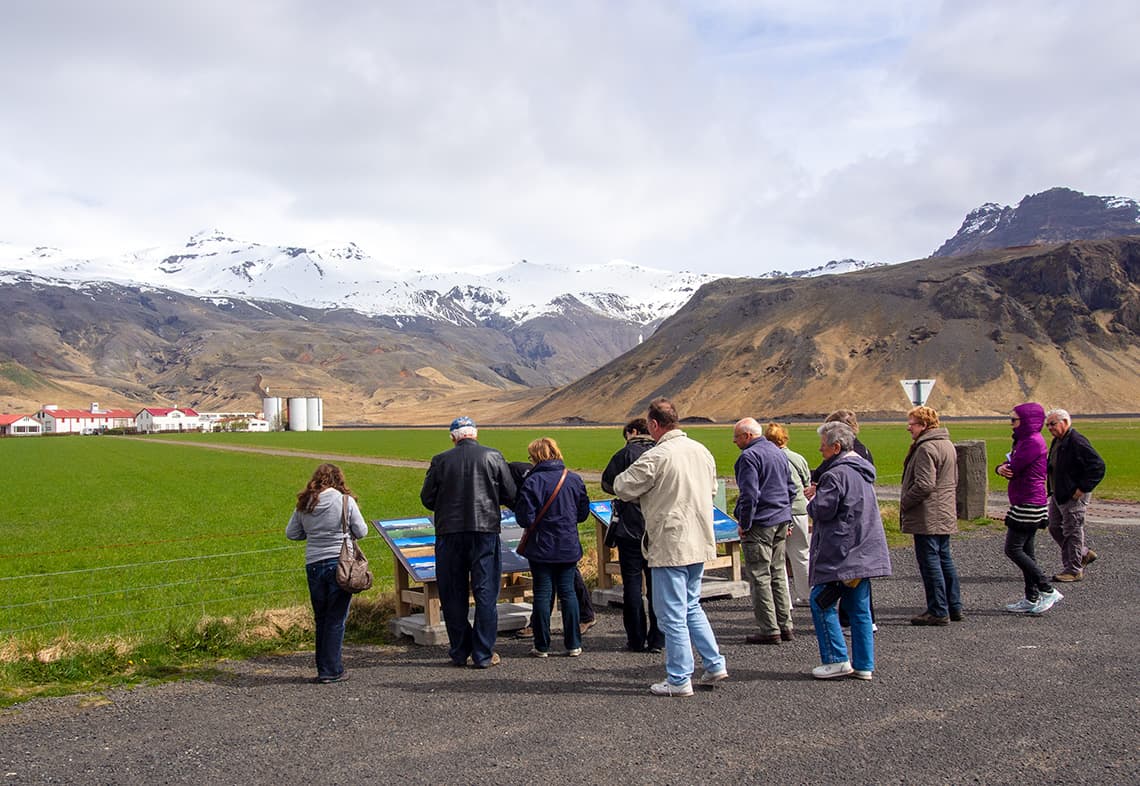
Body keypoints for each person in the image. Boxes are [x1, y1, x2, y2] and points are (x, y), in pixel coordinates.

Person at [613, 397, 727, 696]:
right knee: (691, 605)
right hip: (700, 536)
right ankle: (714, 662)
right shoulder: (701, 451)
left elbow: (622, 485)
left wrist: (648, 494)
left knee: (671, 613)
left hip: (670, 540)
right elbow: (712, 489)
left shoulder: (658, 455)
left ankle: (679, 677)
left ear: (653, 425)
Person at [420, 416, 517, 669]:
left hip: (449, 532)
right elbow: (510, 494)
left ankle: (460, 651)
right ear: (475, 434)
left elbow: (427, 498)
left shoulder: (440, 460)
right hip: (485, 530)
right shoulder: (494, 456)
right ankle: (483, 653)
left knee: (453, 593)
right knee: (486, 592)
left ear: (453, 437)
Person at [806, 422, 892, 680]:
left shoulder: (836, 475)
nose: (820, 450)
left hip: (842, 554)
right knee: (859, 609)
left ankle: (836, 660)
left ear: (836, 446)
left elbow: (822, 510)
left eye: (823, 446)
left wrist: (812, 500)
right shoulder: (862, 472)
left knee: (820, 602)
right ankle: (865, 664)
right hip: (864, 550)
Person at [286, 463, 368, 684]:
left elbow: (292, 533)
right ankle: (332, 670)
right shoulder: (344, 501)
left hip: (313, 563)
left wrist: (314, 534)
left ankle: (323, 667)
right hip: (340, 563)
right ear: (338, 479)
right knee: (336, 619)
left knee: (321, 618)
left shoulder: (305, 503)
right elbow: (362, 531)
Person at [515, 438, 591, 658]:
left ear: (536, 457)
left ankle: (542, 645)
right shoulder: (574, 479)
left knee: (542, 593)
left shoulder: (532, 482)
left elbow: (524, 518)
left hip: (540, 546)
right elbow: (583, 513)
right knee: (568, 593)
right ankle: (574, 643)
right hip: (567, 544)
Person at [601, 418, 665, 653]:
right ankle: (658, 639)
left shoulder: (624, 454)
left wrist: (628, 491)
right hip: (656, 527)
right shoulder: (662, 451)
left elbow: (607, 484)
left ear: (632, 432)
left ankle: (635, 638)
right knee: (658, 584)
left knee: (632, 584)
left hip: (629, 527)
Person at [732, 417, 796, 644]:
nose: (734, 441)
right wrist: (786, 518)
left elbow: (749, 494)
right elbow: (791, 488)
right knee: (778, 573)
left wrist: (745, 523)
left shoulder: (749, 457)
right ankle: (785, 625)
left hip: (761, 522)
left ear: (748, 436)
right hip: (780, 519)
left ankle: (769, 629)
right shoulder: (778, 452)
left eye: (737, 437)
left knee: (759, 575)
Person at [997, 403, 1063, 614]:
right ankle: (1031, 597)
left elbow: (1014, 467)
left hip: (1029, 503)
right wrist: (1001, 468)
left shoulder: (1032, 442)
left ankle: (1047, 589)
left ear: (1026, 421)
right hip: (1026, 500)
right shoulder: (1024, 441)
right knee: (1027, 550)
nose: (1011, 424)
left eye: (1014, 420)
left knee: (1013, 549)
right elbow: (1008, 465)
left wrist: (1004, 469)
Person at [900, 406, 962, 626]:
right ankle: (954, 606)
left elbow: (925, 485)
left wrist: (905, 502)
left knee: (930, 562)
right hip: (944, 510)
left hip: (928, 513)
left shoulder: (926, 448)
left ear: (924, 425)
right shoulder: (947, 444)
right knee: (944, 558)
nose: (909, 427)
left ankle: (938, 609)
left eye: (913, 423)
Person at [1045, 409, 1106, 582]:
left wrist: (1083, 487)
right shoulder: (1058, 440)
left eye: (1052, 424)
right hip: (1059, 492)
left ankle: (1073, 570)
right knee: (1055, 527)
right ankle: (1083, 554)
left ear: (1064, 422)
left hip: (1073, 494)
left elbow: (1098, 466)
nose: (1049, 428)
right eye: (1047, 425)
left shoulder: (1076, 441)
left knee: (1072, 530)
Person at [763, 422, 812, 606]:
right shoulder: (798, 458)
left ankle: (784, 601)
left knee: (778, 558)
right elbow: (806, 481)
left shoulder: (770, 459)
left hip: (778, 511)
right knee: (801, 554)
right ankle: (807, 595)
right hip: (800, 509)